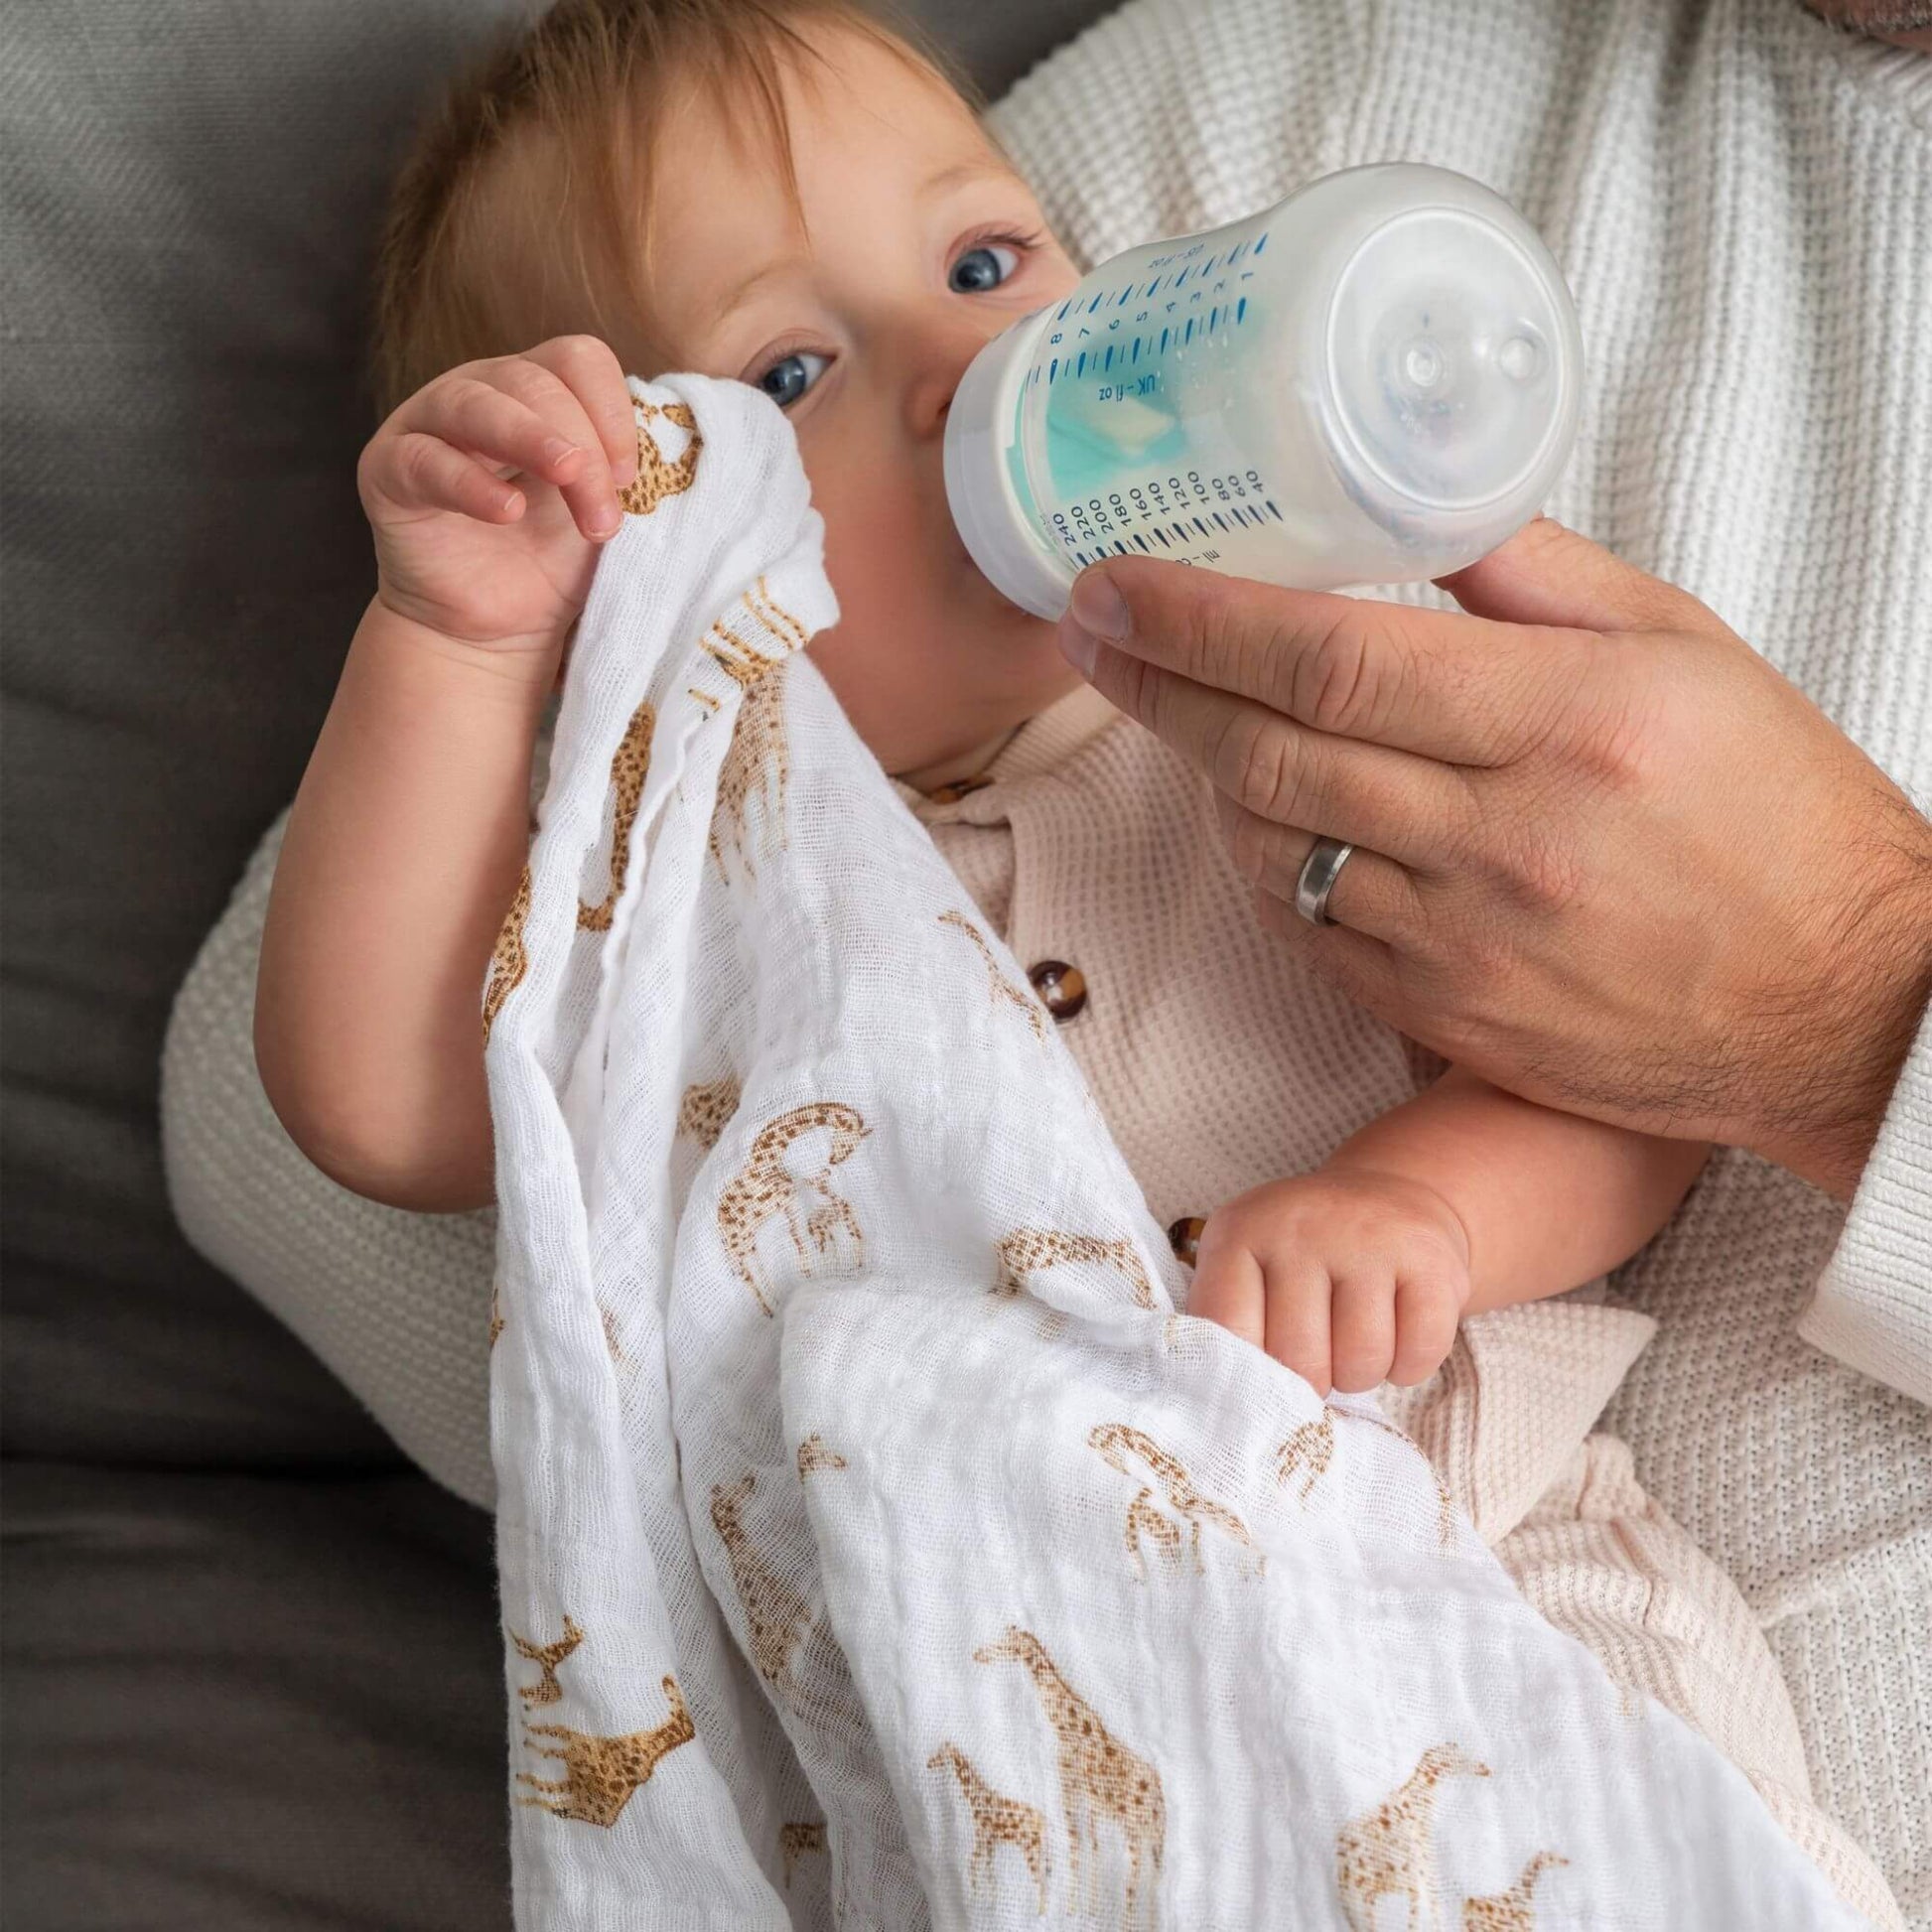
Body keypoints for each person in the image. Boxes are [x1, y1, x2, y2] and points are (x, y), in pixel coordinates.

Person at [199, 0, 1921, 1914]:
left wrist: (1414, 1212)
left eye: (984, 260)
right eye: (786, 371)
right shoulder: (696, 876)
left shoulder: (1283, 715)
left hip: (1463, 1561)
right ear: (656, 573)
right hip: (960, 1681)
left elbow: (1627, 1070)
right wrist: (455, 647)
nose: (960, 366)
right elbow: (380, 1099)